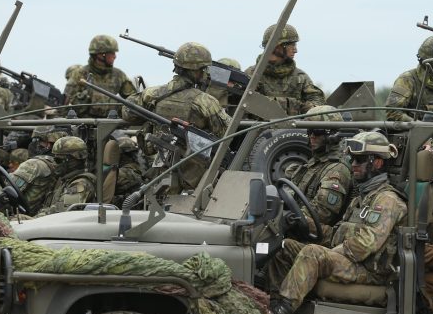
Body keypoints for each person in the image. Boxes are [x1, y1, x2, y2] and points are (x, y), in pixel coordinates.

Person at [264, 130, 407, 314]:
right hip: (351, 261)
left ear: (377, 163)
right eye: (351, 158)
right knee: (284, 248)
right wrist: (307, 224)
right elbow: (339, 232)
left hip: (369, 271)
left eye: (359, 159)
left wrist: (331, 252)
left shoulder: (387, 200)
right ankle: (277, 311)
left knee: (312, 253)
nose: (353, 164)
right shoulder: (364, 196)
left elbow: (364, 245)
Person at [121, 41, 231, 192]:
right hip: (193, 177)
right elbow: (226, 133)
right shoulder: (205, 102)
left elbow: (128, 114)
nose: (206, 73)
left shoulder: (152, 94)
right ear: (196, 71)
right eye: (204, 69)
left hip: (159, 170)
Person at [281, 105, 351, 245]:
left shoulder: (336, 169)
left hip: (314, 242)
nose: (312, 136)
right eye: (310, 131)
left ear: (332, 135)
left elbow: (321, 213)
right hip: (298, 230)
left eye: (317, 132)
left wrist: (284, 217)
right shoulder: (314, 164)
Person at [245, 24, 325, 116]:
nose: (295, 50)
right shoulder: (252, 75)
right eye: (292, 45)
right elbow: (240, 105)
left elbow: (318, 105)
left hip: (293, 129)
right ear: (278, 46)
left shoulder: (300, 77)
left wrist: (300, 107)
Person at [0, 125, 67, 216]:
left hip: (19, 218)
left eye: (36, 140)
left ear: (48, 145)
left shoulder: (34, 164)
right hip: (38, 215)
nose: (32, 144)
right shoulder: (60, 164)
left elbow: (2, 194)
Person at [64, 35, 137, 118]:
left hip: (112, 127)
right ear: (101, 55)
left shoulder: (119, 75)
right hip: (82, 126)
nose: (115, 56)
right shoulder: (79, 74)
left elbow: (134, 100)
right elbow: (64, 106)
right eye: (112, 53)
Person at [39, 136, 96, 215]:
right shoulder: (65, 180)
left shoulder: (81, 183)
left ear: (73, 160)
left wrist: (31, 220)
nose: (55, 164)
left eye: (58, 160)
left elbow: (62, 213)